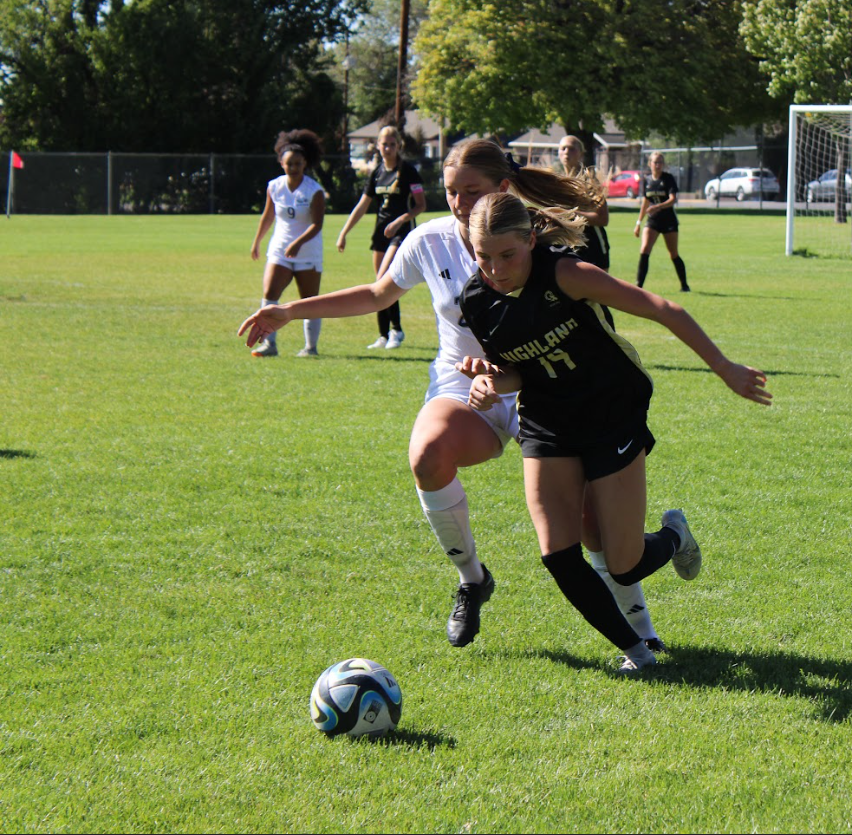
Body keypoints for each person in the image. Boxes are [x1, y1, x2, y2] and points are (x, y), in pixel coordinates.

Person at [238, 138, 664, 652]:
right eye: (450, 192)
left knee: (595, 528)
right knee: (427, 454)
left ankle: (643, 633)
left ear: (502, 189)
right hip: (464, 388)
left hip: (543, 390)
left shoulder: (528, 236)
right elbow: (377, 294)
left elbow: (588, 289)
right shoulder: (429, 240)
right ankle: (471, 578)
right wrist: (291, 310)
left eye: (471, 191)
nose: (459, 204)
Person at [456, 192, 771, 671]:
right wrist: (488, 381)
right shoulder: (477, 300)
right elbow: (520, 370)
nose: (495, 269)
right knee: (558, 553)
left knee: (624, 561)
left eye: (507, 255)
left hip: (610, 411)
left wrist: (724, 367)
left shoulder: (567, 274)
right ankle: (638, 653)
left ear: (532, 240)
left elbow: (664, 308)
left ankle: (674, 536)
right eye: (483, 256)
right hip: (547, 419)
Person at [336, 126, 427, 350]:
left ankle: (396, 330)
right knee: (379, 282)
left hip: (401, 234)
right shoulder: (377, 172)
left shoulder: (408, 172)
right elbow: (362, 205)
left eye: (392, 144)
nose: (387, 148)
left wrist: (399, 221)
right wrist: (344, 232)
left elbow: (421, 205)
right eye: (384, 144)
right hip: (380, 234)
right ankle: (383, 336)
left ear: (398, 146)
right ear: (378, 146)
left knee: (384, 277)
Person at [249, 129, 327, 358]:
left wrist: (298, 244)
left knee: (309, 301)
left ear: (305, 164)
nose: (293, 167)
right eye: (289, 163)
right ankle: (268, 344)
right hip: (280, 250)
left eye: (298, 163)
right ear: (281, 163)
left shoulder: (314, 191)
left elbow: (317, 225)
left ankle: (310, 348)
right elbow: (268, 216)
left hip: (308, 252)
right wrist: (257, 241)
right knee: (270, 293)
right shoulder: (275, 186)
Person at [635, 152, 689, 292]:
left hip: (668, 220)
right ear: (650, 164)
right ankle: (639, 286)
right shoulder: (647, 180)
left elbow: (672, 200)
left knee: (673, 253)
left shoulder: (668, 178)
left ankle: (684, 285)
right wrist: (638, 223)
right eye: (655, 162)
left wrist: (657, 207)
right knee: (645, 249)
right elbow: (646, 202)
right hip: (653, 221)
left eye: (660, 162)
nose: (658, 165)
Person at [557, 135, 610, 270]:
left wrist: (571, 214)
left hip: (592, 242)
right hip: (571, 242)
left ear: (581, 153)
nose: (566, 152)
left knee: (599, 289)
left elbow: (602, 219)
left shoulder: (589, 181)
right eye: (563, 148)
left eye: (572, 149)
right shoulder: (559, 183)